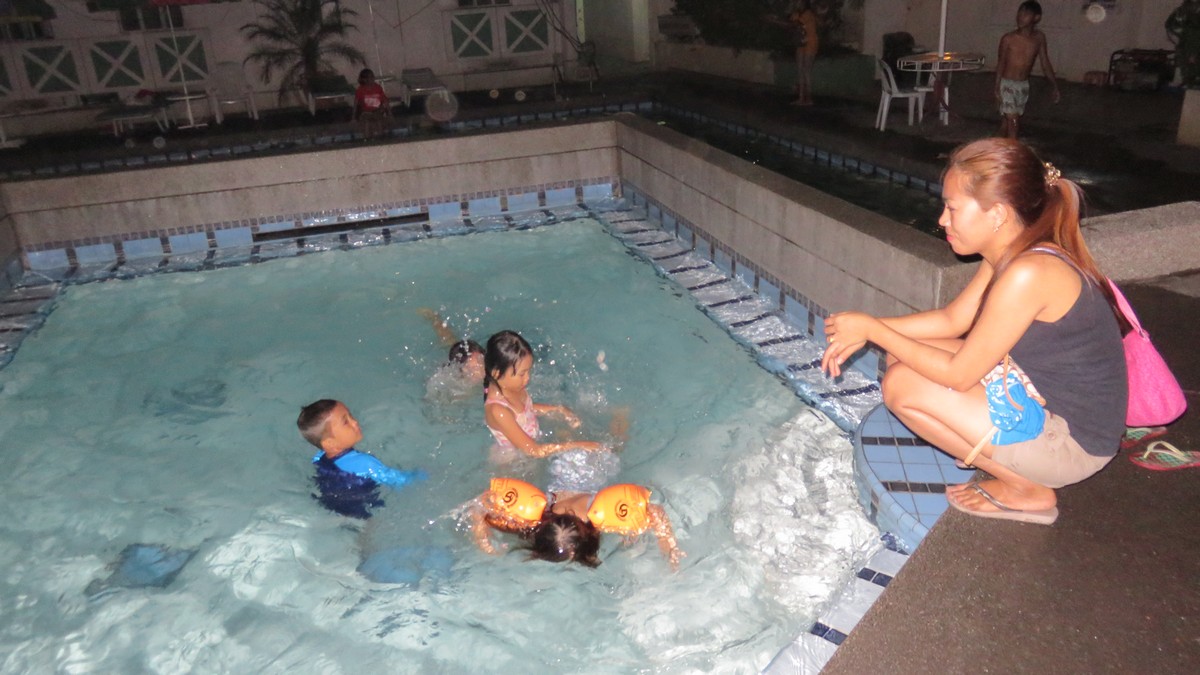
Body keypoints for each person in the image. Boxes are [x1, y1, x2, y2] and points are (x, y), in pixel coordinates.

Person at [820, 138, 1126, 525]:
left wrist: (873, 330)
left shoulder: (1029, 274)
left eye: (952, 208)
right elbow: (953, 319)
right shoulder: (1014, 249)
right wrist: (869, 329)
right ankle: (990, 445)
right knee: (904, 352)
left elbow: (958, 374)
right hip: (1042, 393)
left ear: (996, 213)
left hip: (1071, 444)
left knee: (902, 386)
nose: (942, 220)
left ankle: (1025, 488)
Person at [468, 477, 684, 570]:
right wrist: (483, 539)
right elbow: (481, 505)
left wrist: (670, 546)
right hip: (567, 472)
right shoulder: (533, 518)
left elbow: (655, 512)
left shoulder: (601, 520)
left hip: (591, 469)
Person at [483, 330, 608, 458]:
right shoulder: (497, 411)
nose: (527, 378)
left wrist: (558, 410)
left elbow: (526, 409)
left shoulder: (512, 386)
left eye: (528, 371)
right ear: (496, 373)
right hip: (516, 461)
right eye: (522, 374)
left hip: (534, 444)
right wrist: (581, 445)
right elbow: (534, 451)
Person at [298, 399, 427, 519]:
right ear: (330, 443)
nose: (355, 422)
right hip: (366, 513)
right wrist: (424, 474)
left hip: (333, 508)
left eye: (350, 415)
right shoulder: (365, 463)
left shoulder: (319, 457)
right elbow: (398, 481)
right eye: (346, 422)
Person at [995, 1, 1060, 139]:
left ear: (1036, 17)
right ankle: (1014, 149)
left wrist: (1054, 85)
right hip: (1007, 84)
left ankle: (996, 144)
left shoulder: (1039, 38)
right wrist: (997, 86)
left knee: (1007, 122)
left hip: (1023, 85)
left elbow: (1045, 62)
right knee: (1013, 121)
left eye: (1026, 14)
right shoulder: (1008, 39)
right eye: (1020, 12)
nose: (1021, 16)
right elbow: (1001, 63)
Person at [353, 68, 391, 140]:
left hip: (377, 111)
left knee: (379, 121)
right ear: (364, 79)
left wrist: (389, 113)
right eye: (369, 77)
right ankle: (367, 139)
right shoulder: (360, 90)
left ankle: (380, 138)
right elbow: (356, 104)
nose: (372, 79)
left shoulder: (378, 88)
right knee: (367, 122)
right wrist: (354, 117)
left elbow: (385, 101)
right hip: (365, 112)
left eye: (372, 77)